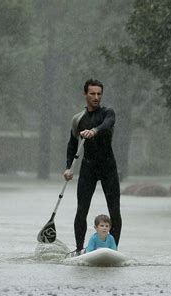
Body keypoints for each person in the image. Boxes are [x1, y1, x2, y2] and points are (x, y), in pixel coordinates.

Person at [64, 79, 122, 255]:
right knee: (81, 209)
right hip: (88, 168)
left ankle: (113, 249)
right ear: (85, 94)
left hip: (108, 167)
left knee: (115, 210)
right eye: (92, 94)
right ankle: (80, 249)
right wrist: (68, 168)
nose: (96, 97)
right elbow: (72, 145)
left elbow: (107, 124)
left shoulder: (107, 113)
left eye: (99, 94)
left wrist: (94, 131)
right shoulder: (78, 119)